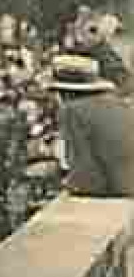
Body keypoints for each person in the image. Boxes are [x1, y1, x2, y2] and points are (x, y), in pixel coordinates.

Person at [49, 54, 134, 198]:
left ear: (64, 93)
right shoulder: (119, 105)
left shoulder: (72, 111)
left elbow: (85, 173)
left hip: (116, 191)